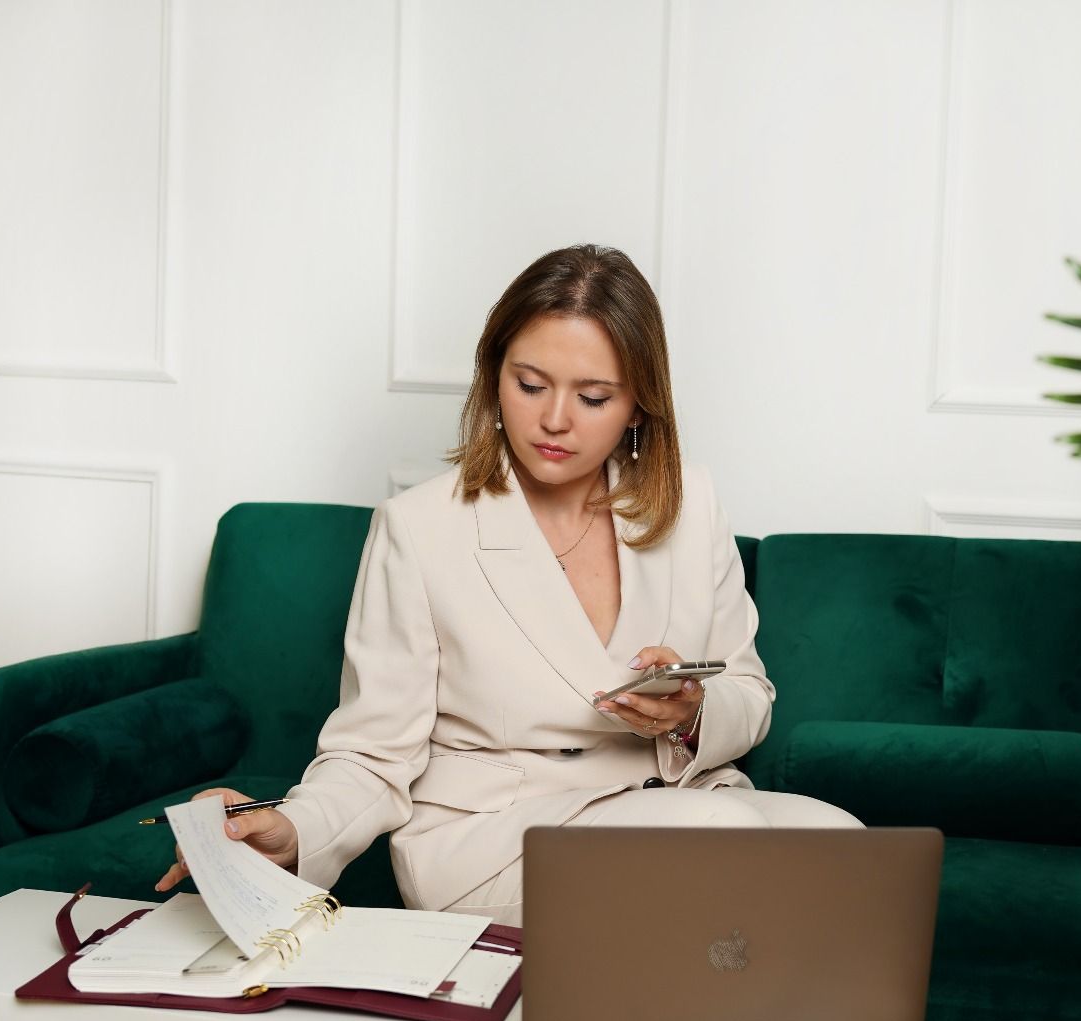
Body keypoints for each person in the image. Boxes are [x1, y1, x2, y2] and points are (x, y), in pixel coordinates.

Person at [156, 244, 861, 924]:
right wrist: (295, 828)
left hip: (681, 800)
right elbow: (373, 753)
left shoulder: (689, 504)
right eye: (530, 384)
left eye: (592, 396)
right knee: (719, 829)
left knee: (843, 844)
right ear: (495, 377)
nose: (553, 419)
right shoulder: (420, 527)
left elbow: (750, 693)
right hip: (497, 841)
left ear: (639, 406)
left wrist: (693, 712)